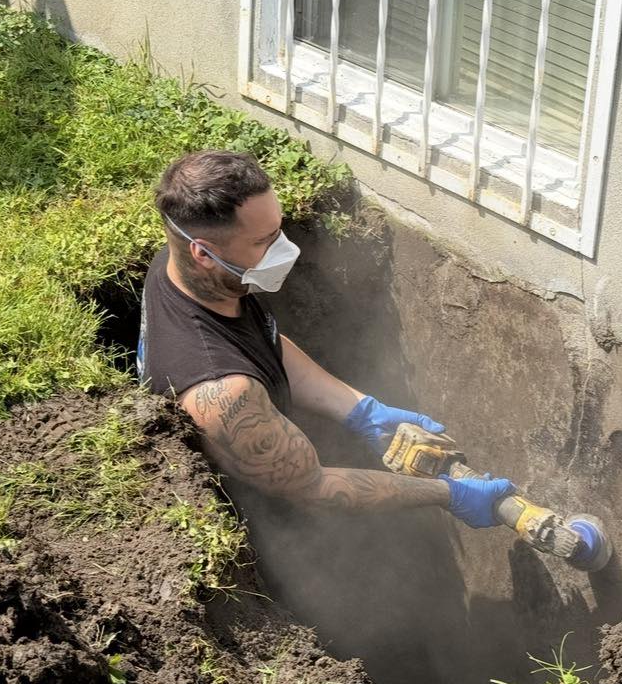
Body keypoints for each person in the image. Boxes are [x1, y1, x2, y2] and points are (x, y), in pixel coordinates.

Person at [138, 150, 511, 528]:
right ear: (204, 253)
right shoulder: (222, 394)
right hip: (268, 523)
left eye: (278, 229)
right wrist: (450, 495)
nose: (284, 248)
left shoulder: (183, 274)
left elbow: (265, 344)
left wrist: (359, 410)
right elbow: (314, 489)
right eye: (264, 240)